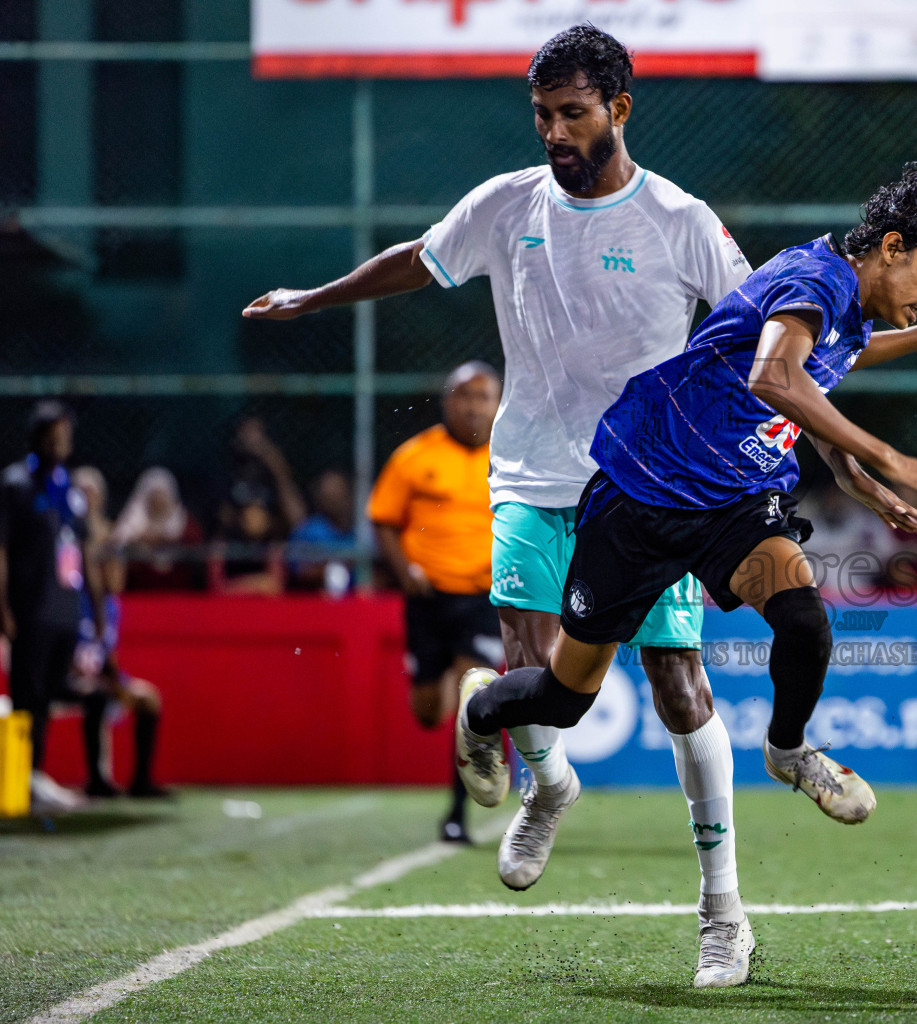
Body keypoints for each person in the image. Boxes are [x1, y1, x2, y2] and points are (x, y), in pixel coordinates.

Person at [243, 26, 767, 986]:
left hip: (650, 488)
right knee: (528, 668)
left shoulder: (682, 221)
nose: (556, 133)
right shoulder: (507, 204)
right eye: (542, 115)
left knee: (679, 687)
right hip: (529, 476)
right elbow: (419, 258)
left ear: (621, 108)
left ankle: (723, 913)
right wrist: (314, 299)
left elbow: (761, 341)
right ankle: (551, 784)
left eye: (573, 114)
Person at [453, 151, 917, 985]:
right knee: (563, 699)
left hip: (731, 504)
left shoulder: (852, 307)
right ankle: (479, 710)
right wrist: (890, 457)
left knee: (803, 617)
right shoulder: (815, 277)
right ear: (891, 246)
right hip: (641, 494)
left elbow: (838, 365)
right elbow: (776, 374)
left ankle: (788, 754)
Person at [368, 363, 504, 843]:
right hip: (427, 597)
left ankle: (456, 813)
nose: (473, 406)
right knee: (428, 711)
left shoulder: (512, 454)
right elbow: (383, 518)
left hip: (484, 595)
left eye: (484, 397)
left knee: (473, 701)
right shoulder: (415, 456)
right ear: (447, 402)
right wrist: (404, 573)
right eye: (464, 396)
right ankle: (449, 692)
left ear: (498, 402)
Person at [0, 402, 110, 813]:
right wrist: (3, 606)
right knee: (27, 695)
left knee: (48, 695)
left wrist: (95, 611)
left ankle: (37, 776)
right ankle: (20, 780)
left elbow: (83, 553)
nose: (60, 444)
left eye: (64, 436)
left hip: (64, 609)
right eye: (53, 436)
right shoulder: (15, 484)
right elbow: (3, 549)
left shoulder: (70, 491)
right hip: (29, 607)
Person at [67, 467, 170, 799]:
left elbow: (106, 650)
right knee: (94, 694)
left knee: (148, 698)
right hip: (70, 672)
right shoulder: (68, 584)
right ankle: (97, 779)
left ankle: (141, 781)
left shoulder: (109, 604)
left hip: (101, 672)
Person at [209, 418, 301, 596]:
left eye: (257, 435)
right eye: (246, 434)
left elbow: (297, 519)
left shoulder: (272, 474)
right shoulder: (227, 472)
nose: (252, 441)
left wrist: (270, 457)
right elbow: (222, 520)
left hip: (266, 542)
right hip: (236, 544)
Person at [114, 467, 205, 591]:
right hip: (140, 592)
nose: (159, 501)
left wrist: (165, 540)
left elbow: (196, 545)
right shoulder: (132, 522)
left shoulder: (185, 522)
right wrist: (140, 542)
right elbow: (118, 544)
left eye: (162, 496)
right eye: (155, 496)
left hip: (180, 592)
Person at [289, 469, 359, 594]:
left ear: (348, 495)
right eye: (328, 496)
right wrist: (328, 569)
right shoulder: (308, 531)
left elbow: (375, 567)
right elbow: (299, 571)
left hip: (358, 598)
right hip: (317, 598)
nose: (334, 501)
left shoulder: (363, 530)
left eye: (338, 494)